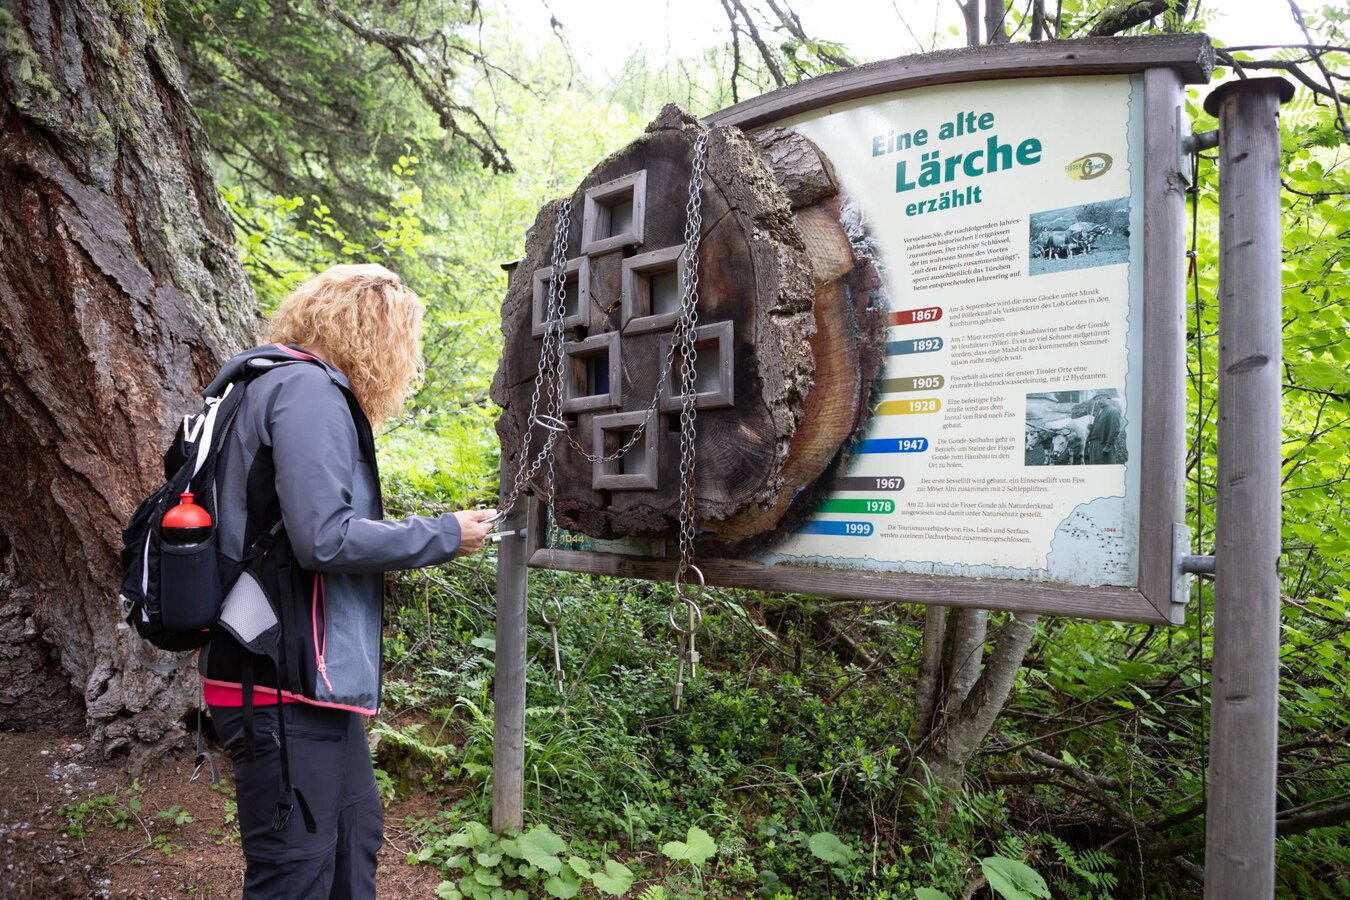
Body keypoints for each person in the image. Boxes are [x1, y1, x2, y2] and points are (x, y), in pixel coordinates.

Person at [198, 264, 497, 898]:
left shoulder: (268, 380)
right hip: (278, 682)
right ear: (375, 335)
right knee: (297, 872)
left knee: (354, 839)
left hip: (302, 682)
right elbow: (323, 539)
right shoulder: (307, 391)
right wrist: (445, 534)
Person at [1085, 393, 1123, 465]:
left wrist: (1108, 446)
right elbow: (1099, 427)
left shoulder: (1113, 411)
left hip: (1103, 444)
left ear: (1107, 399)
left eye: (1101, 398)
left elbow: (1114, 430)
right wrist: (1091, 427)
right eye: (1097, 400)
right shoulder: (1099, 412)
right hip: (1094, 445)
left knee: (1104, 466)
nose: (1098, 401)